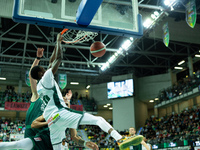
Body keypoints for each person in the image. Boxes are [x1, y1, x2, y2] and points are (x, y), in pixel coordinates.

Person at [30, 33, 144, 150]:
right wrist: (58, 42)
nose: (45, 68)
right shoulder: (46, 78)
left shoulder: (39, 86)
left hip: (51, 122)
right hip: (59, 113)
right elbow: (57, 59)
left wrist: (55, 44)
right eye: (43, 69)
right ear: (40, 73)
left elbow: (51, 61)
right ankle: (120, 139)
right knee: (98, 119)